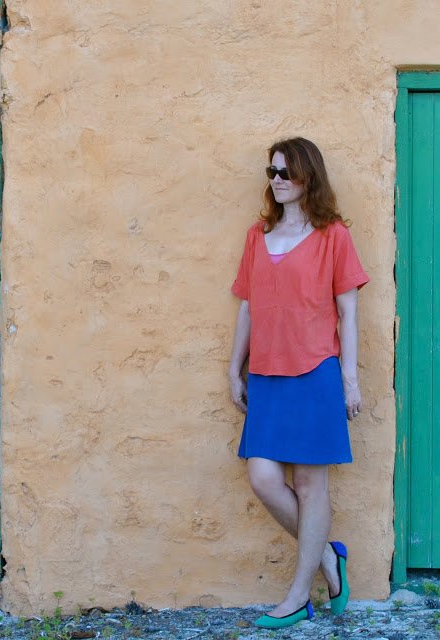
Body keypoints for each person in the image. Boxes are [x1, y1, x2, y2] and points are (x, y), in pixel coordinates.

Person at [228, 137, 369, 630]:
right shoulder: (257, 236)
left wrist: (350, 381)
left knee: (311, 485)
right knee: (264, 478)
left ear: (309, 175)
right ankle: (329, 558)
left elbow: (348, 313)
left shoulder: (333, 236)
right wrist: (234, 368)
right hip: (266, 374)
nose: (277, 180)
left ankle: (298, 596)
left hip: (315, 372)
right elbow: (247, 306)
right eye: (272, 172)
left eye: (286, 172)